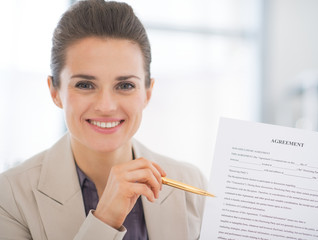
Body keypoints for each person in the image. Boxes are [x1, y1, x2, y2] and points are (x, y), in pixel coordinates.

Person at [0, 0, 207, 239]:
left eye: (125, 85)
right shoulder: (10, 196)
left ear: (147, 93)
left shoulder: (192, 187)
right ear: (55, 92)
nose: (106, 106)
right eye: (85, 85)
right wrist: (105, 220)